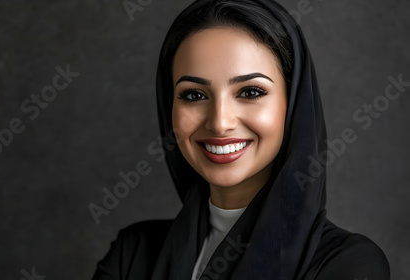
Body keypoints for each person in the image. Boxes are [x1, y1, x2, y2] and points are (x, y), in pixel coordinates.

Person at [92, 0, 390, 279]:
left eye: (250, 92)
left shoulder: (347, 264)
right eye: (194, 95)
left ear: (293, 104)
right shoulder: (132, 254)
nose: (220, 123)